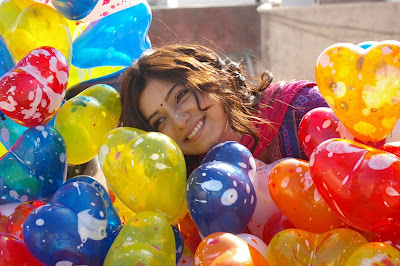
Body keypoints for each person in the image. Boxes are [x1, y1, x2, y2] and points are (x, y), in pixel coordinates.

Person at [119, 43, 329, 172]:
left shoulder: (303, 108)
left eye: (181, 95)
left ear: (209, 75)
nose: (179, 120)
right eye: (160, 121)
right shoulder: (191, 193)